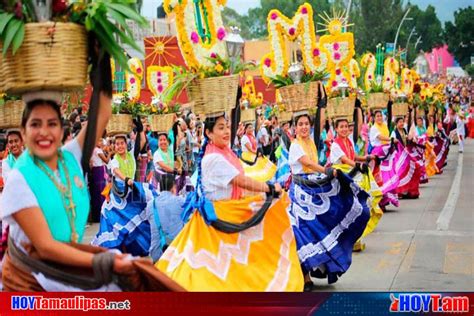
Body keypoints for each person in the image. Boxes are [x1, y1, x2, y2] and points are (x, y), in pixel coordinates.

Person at [0, 91, 134, 291]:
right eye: (35, 124)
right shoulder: (19, 178)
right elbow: (46, 247)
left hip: (66, 274)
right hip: (30, 285)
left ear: (62, 131)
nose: (44, 132)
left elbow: (102, 113)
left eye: (52, 124)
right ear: (23, 131)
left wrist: (101, 62)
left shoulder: (70, 157)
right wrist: (106, 261)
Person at [156, 113, 303, 291]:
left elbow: (240, 182)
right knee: (210, 274)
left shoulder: (222, 152)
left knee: (233, 270)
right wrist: (269, 188)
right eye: (221, 128)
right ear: (209, 133)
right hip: (219, 217)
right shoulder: (213, 158)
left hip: (228, 211)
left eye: (227, 126)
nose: (226, 131)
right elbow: (240, 180)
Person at [288, 113, 370, 290]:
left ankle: (321, 265)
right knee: (302, 233)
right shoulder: (295, 146)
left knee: (319, 229)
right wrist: (327, 171)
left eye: (306, 124)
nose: (303, 127)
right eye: (300, 124)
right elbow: (307, 163)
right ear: (295, 128)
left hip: (313, 190)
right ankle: (305, 277)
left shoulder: (311, 143)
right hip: (300, 194)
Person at [93, 126, 153, 257]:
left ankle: (136, 249)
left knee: (138, 222)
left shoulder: (131, 155)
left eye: (122, 143)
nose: (120, 146)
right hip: (118, 196)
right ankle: (116, 252)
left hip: (131, 193)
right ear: (114, 146)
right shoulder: (114, 161)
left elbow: (142, 142)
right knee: (116, 224)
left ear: (126, 144)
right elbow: (117, 172)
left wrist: (140, 129)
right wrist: (126, 179)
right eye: (117, 144)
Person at [329, 118, 382, 251]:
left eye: (346, 126)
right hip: (341, 178)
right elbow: (345, 160)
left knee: (356, 207)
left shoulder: (349, 141)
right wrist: (359, 166)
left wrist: (367, 158)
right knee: (348, 209)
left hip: (350, 174)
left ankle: (354, 241)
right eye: (341, 127)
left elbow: (353, 157)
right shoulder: (335, 144)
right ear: (336, 129)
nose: (344, 129)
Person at [145, 173, 184, 263]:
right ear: (173, 187)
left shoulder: (150, 205)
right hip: (175, 256)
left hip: (156, 256)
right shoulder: (180, 202)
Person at [89, 139, 109, 223]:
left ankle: (96, 215)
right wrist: (110, 153)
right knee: (100, 192)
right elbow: (106, 160)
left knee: (97, 193)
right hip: (99, 171)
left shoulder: (94, 149)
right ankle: (100, 215)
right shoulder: (97, 150)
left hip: (96, 171)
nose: (101, 143)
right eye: (99, 141)